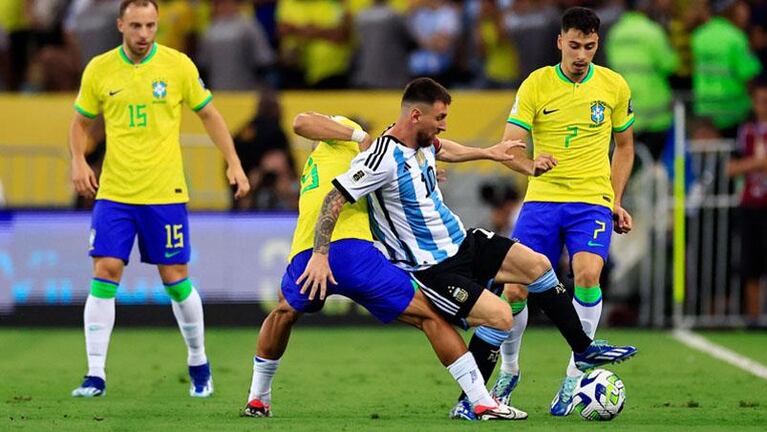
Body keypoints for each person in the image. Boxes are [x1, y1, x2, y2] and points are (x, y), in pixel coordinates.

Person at [301, 77, 638, 420]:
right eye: (440, 118)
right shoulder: (380, 159)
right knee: (500, 316)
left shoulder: (422, 140)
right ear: (416, 116)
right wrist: (319, 254)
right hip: (433, 267)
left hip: (463, 242)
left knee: (536, 265)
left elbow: (444, 148)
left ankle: (582, 349)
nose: (444, 126)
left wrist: (488, 152)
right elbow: (334, 197)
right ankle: (470, 401)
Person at [242, 112, 527, 421]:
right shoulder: (351, 139)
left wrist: (424, 174)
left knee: (283, 312)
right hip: (352, 252)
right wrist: (357, 134)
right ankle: (480, 400)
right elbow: (301, 121)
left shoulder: (338, 163)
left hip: (309, 254)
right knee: (429, 317)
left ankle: (258, 398)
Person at [68, 0, 249, 398]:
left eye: (150, 25)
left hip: (164, 192)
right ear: (120, 25)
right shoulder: (100, 69)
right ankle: (94, 374)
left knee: (174, 279)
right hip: (114, 192)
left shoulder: (178, 65)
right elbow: (80, 121)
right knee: (107, 269)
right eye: (135, 25)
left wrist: (233, 162)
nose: (143, 34)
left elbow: (210, 115)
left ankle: (199, 361)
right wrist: (79, 160)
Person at [491, 6, 637, 417]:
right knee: (515, 289)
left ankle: (575, 374)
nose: (581, 55)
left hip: (591, 201)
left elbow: (624, 147)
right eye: (574, 45)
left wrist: (615, 199)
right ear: (560, 42)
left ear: (597, 45)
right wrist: (529, 164)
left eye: (589, 47)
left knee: (587, 275)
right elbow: (510, 146)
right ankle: (510, 369)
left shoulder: (613, 86)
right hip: (541, 200)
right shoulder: (537, 84)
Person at [606, 0, 678, 160]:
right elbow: (671, 64)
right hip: (655, 115)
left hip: (625, 112)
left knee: (628, 162)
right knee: (652, 169)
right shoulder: (653, 31)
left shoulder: (615, 33)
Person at [727, 76, 767, 324]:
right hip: (751, 205)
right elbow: (730, 168)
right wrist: (757, 163)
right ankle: (753, 319)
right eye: (762, 101)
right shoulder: (746, 131)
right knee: (751, 263)